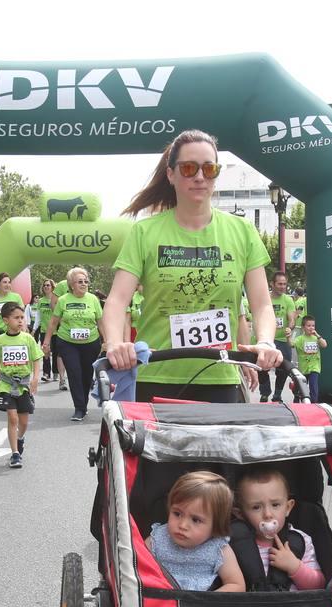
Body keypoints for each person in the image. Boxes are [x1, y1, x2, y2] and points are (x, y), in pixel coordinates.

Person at [101, 129, 283, 401]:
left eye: (209, 169)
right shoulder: (144, 232)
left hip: (220, 376)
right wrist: (115, 343)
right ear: (171, 174)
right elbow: (116, 300)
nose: (199, 177)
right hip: (156, 375)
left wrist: (266, 341)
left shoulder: (242, 231)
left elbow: (261, 304)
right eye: (188, 168)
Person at [147, 471, 245, 592]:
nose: (182, 525)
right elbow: (134, 565)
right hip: (159, 601)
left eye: (196, 520)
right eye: (177, 514)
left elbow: (237, 585)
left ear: (215, 526)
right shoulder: (157, 538)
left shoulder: (218, 548)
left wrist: (206, 603)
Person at [229, 467, 324, 592]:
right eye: (256, 507)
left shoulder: (301, 541)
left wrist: (295, 567)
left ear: (288, 508)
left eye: (275, 505)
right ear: (240, 514)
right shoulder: (231, 544)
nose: (268, 514)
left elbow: (319, 585)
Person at [42, 266, 103, 421]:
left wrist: (108, 341)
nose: (84, 284)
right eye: (80, 281)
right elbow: (53, 322)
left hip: (90, 342)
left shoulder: (93, 299)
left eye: (86, 281)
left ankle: (83, 403)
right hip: (68, 342)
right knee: (75, 373)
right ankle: (79, 408)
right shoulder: (63, 300)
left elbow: (100, 322)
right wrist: (46, 342)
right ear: (72, 285)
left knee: (87, 375)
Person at [0, 301, 41, 468]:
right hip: (6, 384)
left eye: (22, 318)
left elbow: (36, 359)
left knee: (24, 421)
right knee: (12, 418)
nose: (20, 321)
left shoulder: (28, 339)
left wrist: (35, 379)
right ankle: (15, 453)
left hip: (24, 385)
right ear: (6, 320)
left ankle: (20, 438)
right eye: (16, 318)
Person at [258, 271, 297, 402]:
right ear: (272, 284)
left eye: (284, 284)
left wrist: (289, 327)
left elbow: (292, 319)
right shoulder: (265, 298)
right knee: (262, 367)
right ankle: (265, 392)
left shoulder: (288, 300)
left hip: (282, 340)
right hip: (266, 339)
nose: (282, 287)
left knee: (283, 369)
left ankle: (277, 394)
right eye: (279, 284)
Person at [293, 316, 327, 402]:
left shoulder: (316, 338)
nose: (311, 328)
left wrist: (318, 335)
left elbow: (324, 345)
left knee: (313, 386)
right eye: (308, 326)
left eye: (313, 325)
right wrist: (288, 337)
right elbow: (291, 344)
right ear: (303, 327)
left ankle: (314, 402)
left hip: (314, 367)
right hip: (304, 368)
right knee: (301, 386)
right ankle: (297, 399)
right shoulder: (300, 339)